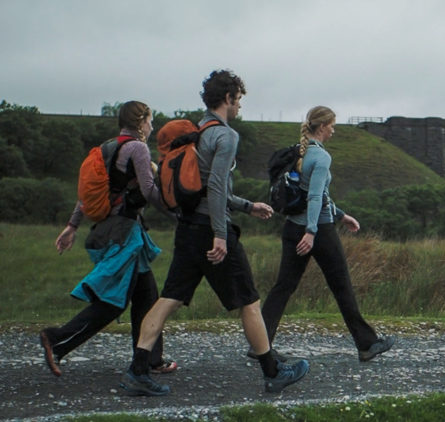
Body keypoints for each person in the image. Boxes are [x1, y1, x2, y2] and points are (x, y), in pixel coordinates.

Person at [119, 69, 309, 396]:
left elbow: (206, 187)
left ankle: (138, 370)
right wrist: (221, 234)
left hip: (189, 227)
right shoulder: (226, 135)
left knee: (168, 298)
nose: (239, 107)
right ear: (228, 98)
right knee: (249, 301)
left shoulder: (198, 132)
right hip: (210, 230)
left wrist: (248, 206)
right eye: (238, 100)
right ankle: (273, 372)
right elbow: (217, 187)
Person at [247, 105, 394, 363]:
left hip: (292, 228)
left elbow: (314, 195)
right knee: (341, 286)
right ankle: (367, 344)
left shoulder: (300, 152)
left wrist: (341, 215)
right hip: (319, 231)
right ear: (323, 126)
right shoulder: (322, 158)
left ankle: (261, 343)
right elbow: (314, 197)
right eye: (333, 126)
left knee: (284, 286)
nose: (334, 131)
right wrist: (312, 232)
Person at [40, 100, 177, 377]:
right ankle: (56, 338)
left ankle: (151, 358)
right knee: (113, 302)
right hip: (125, 234)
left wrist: (72, 225)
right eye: (150, 120)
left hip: (119, 230)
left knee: (147, 297)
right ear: (140, 122)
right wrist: (179, 214)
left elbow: (87, 195)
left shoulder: (107, 148)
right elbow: (150, 191)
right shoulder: (137, 148)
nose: (152, 126)